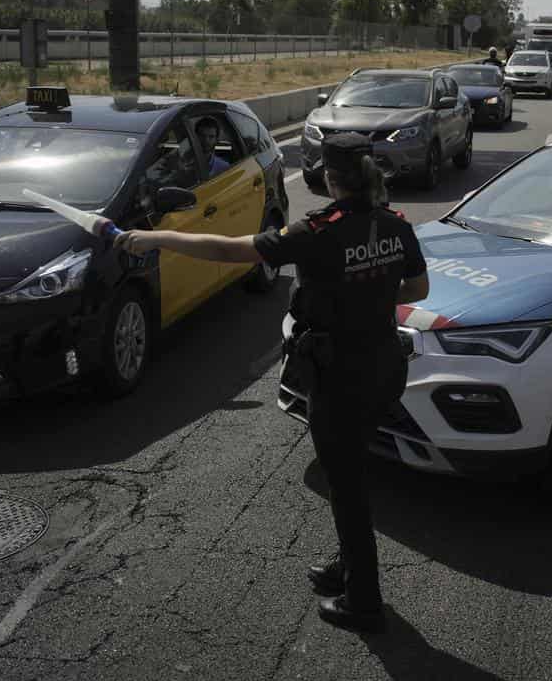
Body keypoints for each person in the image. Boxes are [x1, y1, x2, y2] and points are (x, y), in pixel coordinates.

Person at [115, 133, 430, 634]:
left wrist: (155, 238)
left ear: (328, 177)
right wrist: (370, 292)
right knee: (352, 470)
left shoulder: (317, 231)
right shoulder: (394, 224)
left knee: (345, 486)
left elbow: (231, 250)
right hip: (385, 368)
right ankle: (348, 565)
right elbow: (417, 287)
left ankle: (364, 601)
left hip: (341, 376)